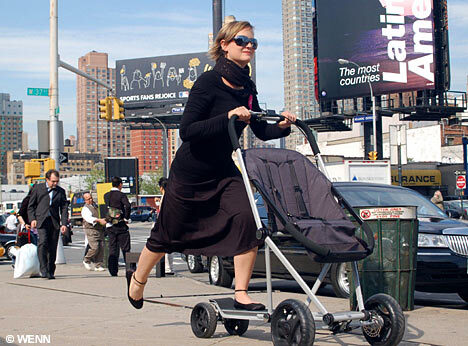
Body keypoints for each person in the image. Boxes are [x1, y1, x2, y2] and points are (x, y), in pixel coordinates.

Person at [126, 20, 296, 310]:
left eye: (254, 43)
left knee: (247, 218)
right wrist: (228, 116)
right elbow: (187, 130)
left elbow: (260, 130)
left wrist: (282, 126)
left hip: (223, 170)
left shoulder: (247, 87)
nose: (249, 47)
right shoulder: (208, 83)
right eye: (242, 41)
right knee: (166, 234)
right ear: (224, 45)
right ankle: (137, 281)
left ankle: (241, 293)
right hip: (190, 173)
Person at [27, 169, 69, 279]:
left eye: (57, 181)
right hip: (41, 221)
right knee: (43, 242)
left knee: (52, 247)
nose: (55, 184)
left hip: (54, 222)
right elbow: (31, 206)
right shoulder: (37, 188)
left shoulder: (61, 191)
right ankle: (43, 269)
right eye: (53, 181)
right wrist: (32, 219)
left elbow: (64, 208)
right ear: (47, 179)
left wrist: (64, 223)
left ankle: (51, 270)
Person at [104, 177, 131, 277]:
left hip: (110, 225)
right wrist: (126, 217)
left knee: (112, 248)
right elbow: (127, 206)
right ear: (120, 184)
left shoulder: (106, 195)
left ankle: (113, 270)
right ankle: (129, 269)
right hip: (120, 225)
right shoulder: (121, 195)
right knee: (125, 248)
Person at [81, 192, 107, 271]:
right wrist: (99, 220)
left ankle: (98, 265)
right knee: (94, 247)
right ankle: (86, 259)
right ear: (85, 200)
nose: (90, 200)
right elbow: (89, 218)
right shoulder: (85, 209)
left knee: (101, 247)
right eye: (88, 199)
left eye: (91, 198)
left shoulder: (95, 206)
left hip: (99, 229)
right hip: (91, 229)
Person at [158, 177, 174, 275]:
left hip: (165, 226)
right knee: (168, 249)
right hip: (169, 225)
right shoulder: (170, 196)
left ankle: (168, 268)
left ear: (161, 187)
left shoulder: (165, 197)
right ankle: (168, 267)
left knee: (166, 248)